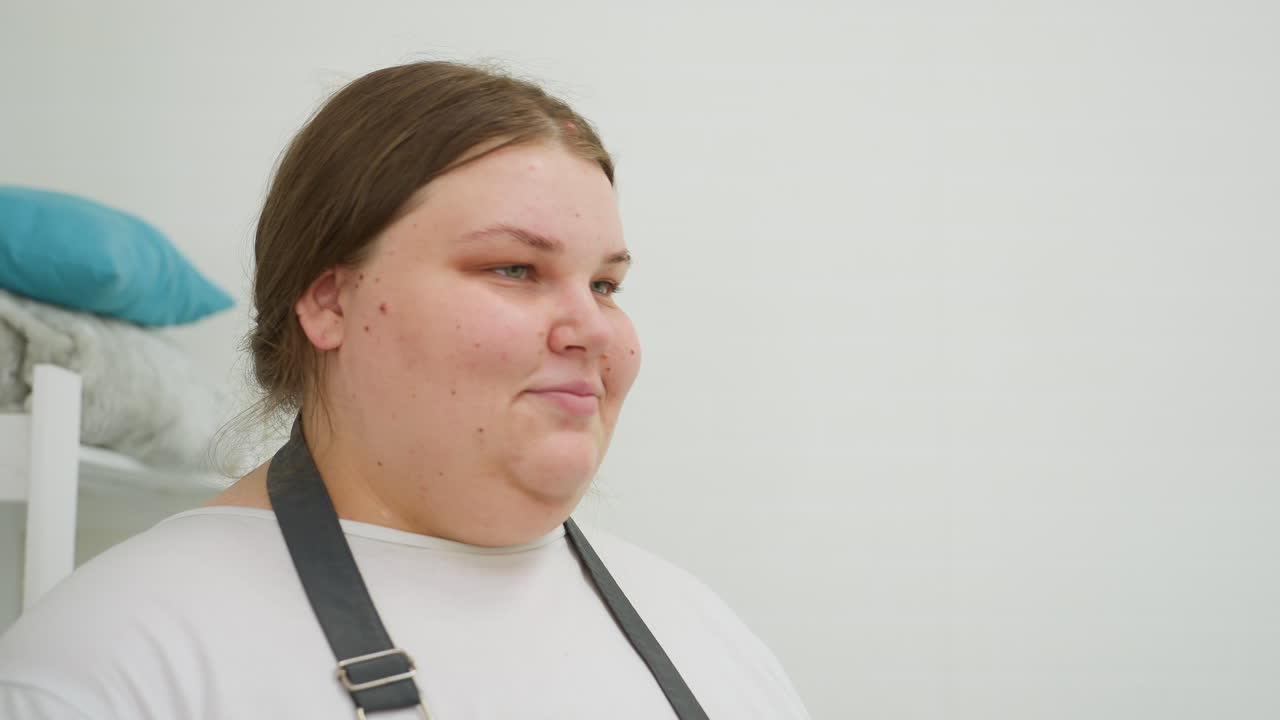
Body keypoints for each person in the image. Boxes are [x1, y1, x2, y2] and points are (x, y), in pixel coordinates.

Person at [0, 61, 811, 718]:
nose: (593, 330)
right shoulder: (117, 658)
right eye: (515, 269)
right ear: (329, 301)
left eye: (604, 285)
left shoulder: (701, 629)